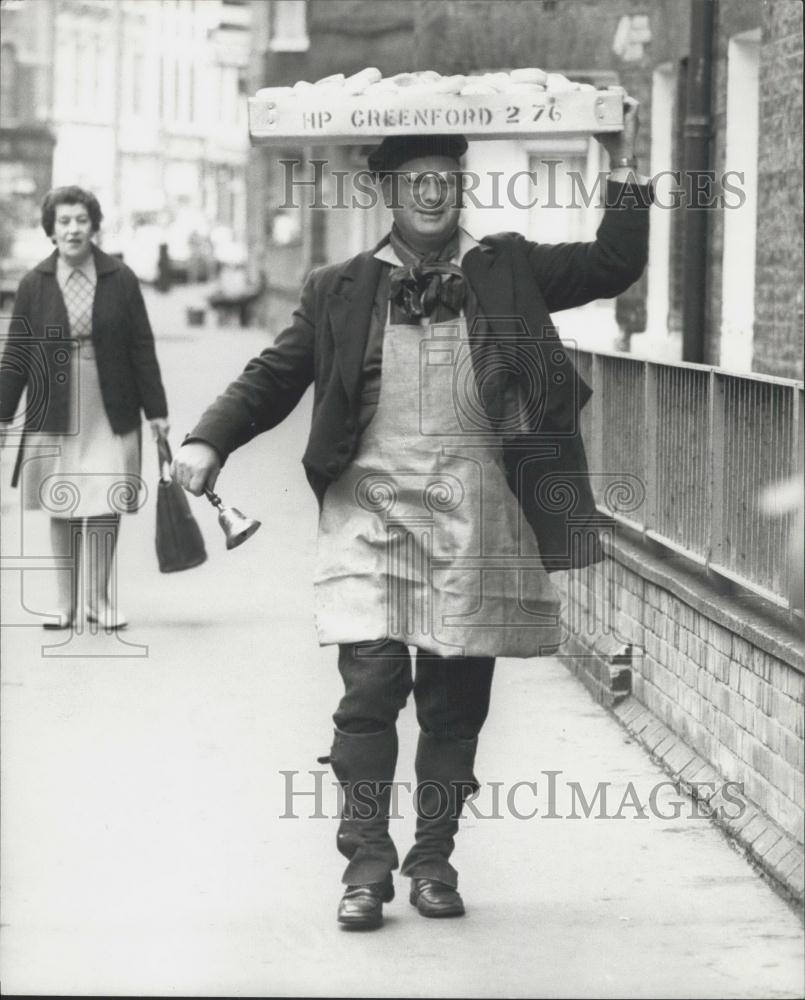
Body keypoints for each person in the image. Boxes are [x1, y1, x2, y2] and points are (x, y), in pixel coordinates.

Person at [172, 100, 652, 929]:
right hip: (372, 511)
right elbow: (273, 375)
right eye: (415, 181)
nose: (432, 194)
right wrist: (209, 439)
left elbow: (611, 263)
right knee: (370, 687)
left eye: (445, 179)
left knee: (455, 697)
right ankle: (364, 866)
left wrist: (625, 167)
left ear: (459, 186)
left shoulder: (507, 268)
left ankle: (434, 860)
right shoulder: (339, 288)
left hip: (478, 511)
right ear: (388, 191)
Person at [0, 186, 170, 629]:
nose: (73, 229)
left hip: (109, 400)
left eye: (81, 220)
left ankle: (98, 598)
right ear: (51, 230)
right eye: (64, 221)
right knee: (62, 499)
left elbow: (141, 346)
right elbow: (16, 354)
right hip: (53, 404)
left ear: (94, 225)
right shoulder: (34, 283)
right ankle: (65, 602)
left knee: (105, 498)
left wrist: (157, 411)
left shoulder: (121, 278)